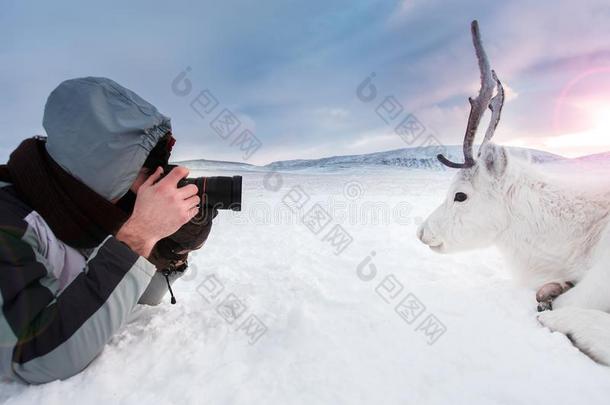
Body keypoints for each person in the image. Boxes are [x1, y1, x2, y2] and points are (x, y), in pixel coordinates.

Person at [0, 77, 212, 384]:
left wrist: (169, 251)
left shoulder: (79, 208)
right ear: (99, 170)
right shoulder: (9, 223)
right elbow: (33, 356)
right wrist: (137, 237)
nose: (146, 187)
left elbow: (122, 308)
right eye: (141, 173)